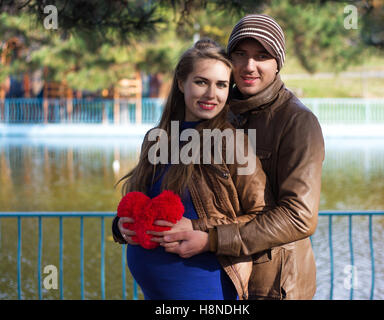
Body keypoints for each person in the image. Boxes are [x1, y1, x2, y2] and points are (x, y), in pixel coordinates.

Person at [148, 14, 325, 300]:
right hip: (219, 278)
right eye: (240, 54)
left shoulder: (297, 122)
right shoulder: (219, 106)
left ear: (277, 63)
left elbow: (299, 216)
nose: (249, 66)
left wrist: (211, 239)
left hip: (273, 285)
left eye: (262, 56)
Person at [111, 38, 272, 300]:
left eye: (221, 85)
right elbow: (140, 200)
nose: (212, 94)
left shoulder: (232, 143)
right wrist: (120, 228)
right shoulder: (156, 138)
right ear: (180, 83)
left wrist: (203, 231)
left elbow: (261, 216)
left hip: (207, 289)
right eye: (201, 82)